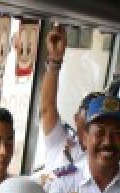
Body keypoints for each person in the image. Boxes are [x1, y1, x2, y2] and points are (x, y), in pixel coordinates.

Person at [37, 25, 98, 176]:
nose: (91, 124)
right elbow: (47, 108)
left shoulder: (104, 158)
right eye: (88, 115)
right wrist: (54, 61)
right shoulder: (60, 140)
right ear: (76, 118)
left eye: (97, 121)